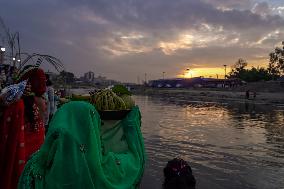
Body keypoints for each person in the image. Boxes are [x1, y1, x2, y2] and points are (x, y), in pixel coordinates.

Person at [18, 101, 146, 189]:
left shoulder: (34, 167)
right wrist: (132, 124)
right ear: (93, 129)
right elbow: (135, 162)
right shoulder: (107, 169)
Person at [0, 67, 47, 189]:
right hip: (32, 150)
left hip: (19, 149)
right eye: (42, 81)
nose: (44, 84)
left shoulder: (14, 100)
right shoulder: (36, 102)